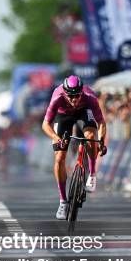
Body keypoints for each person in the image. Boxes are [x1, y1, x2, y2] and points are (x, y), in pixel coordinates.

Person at [41, 75, 107, 220]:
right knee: (59, 159)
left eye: (77, 95)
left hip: (84, 112)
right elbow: (45, 125)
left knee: (90, 137)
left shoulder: (90, 97)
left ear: (81, 92)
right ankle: (63, 201)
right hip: (63, 116)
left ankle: (92, 174)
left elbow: (101, 122)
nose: (73, 99)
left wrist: (101, 141)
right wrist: (56, 138)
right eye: (70, 96)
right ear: (64, 93)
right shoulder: (57, 97)